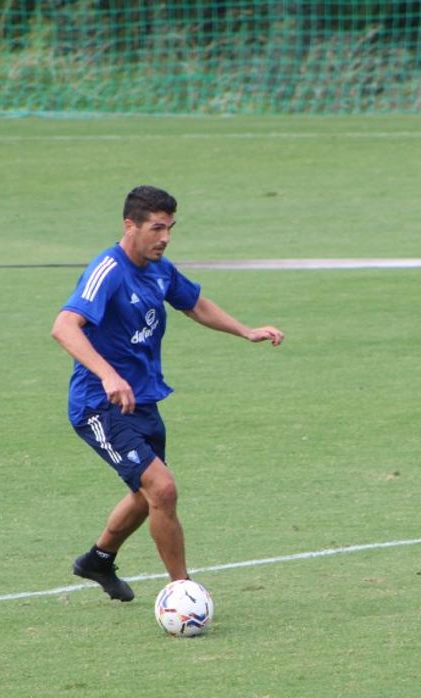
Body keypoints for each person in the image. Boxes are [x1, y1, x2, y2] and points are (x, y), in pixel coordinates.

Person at [52, 185, 284, 601]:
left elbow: (194, 304)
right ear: (130, 225)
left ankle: (98, 560)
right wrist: (108, 375)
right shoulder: (107, 270)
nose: (165, 238)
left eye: (170, 228)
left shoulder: (160, 269)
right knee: (162, 488)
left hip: (142, 401)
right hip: (99, 405)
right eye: (157, 228)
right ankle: (183, 590)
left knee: (147, 496)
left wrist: (245, 330)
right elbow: (64, 326)